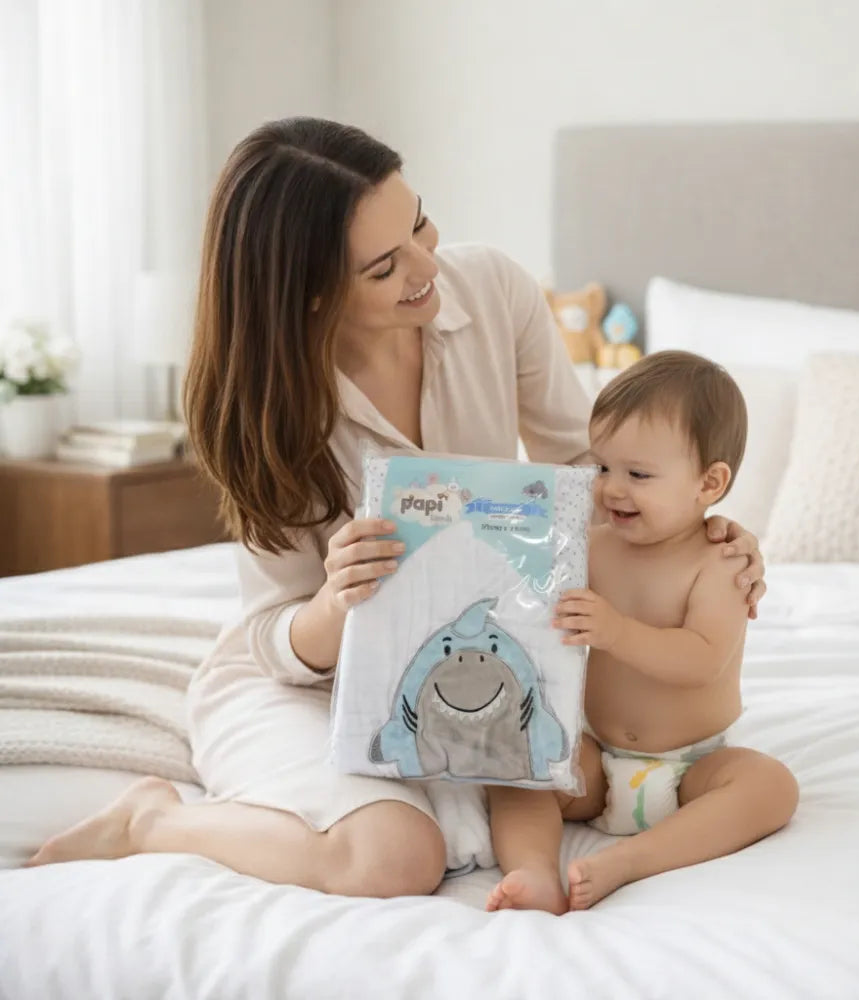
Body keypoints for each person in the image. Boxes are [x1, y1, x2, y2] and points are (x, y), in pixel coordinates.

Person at [27, 119, 768, 900]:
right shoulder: (265, 408)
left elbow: (584, 475)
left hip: (456, 665)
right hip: (301, 684)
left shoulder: (491, 290)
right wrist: (337, 596)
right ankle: (151, 823)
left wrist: (695, 534)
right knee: (395, 859)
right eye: (386, 266)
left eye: (418, 221)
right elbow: (273, 636)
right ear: (311, 293)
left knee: (496, 802)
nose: (426, 265)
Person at [485, 351, 798, 914]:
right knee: (518, 765)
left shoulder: (720, 562)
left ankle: (627, 863)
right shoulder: (590, 546)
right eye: (603, 467)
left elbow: (703, 660)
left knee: (770, 787)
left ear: (710, 482)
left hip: (691, 768)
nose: (612, 489)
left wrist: (615, 631)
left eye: (638, 474)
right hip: (594, 757)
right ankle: (533, 871)